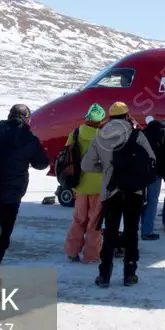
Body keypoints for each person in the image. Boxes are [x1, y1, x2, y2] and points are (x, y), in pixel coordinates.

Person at [81, 102, 156, 287]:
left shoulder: (100, 135)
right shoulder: (137, 135)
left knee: (110, 233)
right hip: (134, 191)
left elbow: (86, 165)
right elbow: (151, 160)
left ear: (110, 116)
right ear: (127, 115)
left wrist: (106, 170)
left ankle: (104, 276)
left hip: (111, 190)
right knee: (131, 232)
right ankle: (130, 274)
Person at [0, 104, 50, 288]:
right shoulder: (28, 138)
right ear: (27, 119)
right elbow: (41, 163)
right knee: (3, 235)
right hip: (11, 196)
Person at [63, 103, 107, 263]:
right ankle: (92, 255)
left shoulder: (74, 133)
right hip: (99, 185)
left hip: (79, 184)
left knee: (79, 219)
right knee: (95, 222)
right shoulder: (104, 136)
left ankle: (72, 251)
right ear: (101, 119)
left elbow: (67, 155)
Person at [140, 118, 165, 241]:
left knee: (140, 201)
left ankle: (138, 228)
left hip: (141, 172)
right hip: (156, 173)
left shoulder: (143, 132)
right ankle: (147, 231)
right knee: (152, 201)